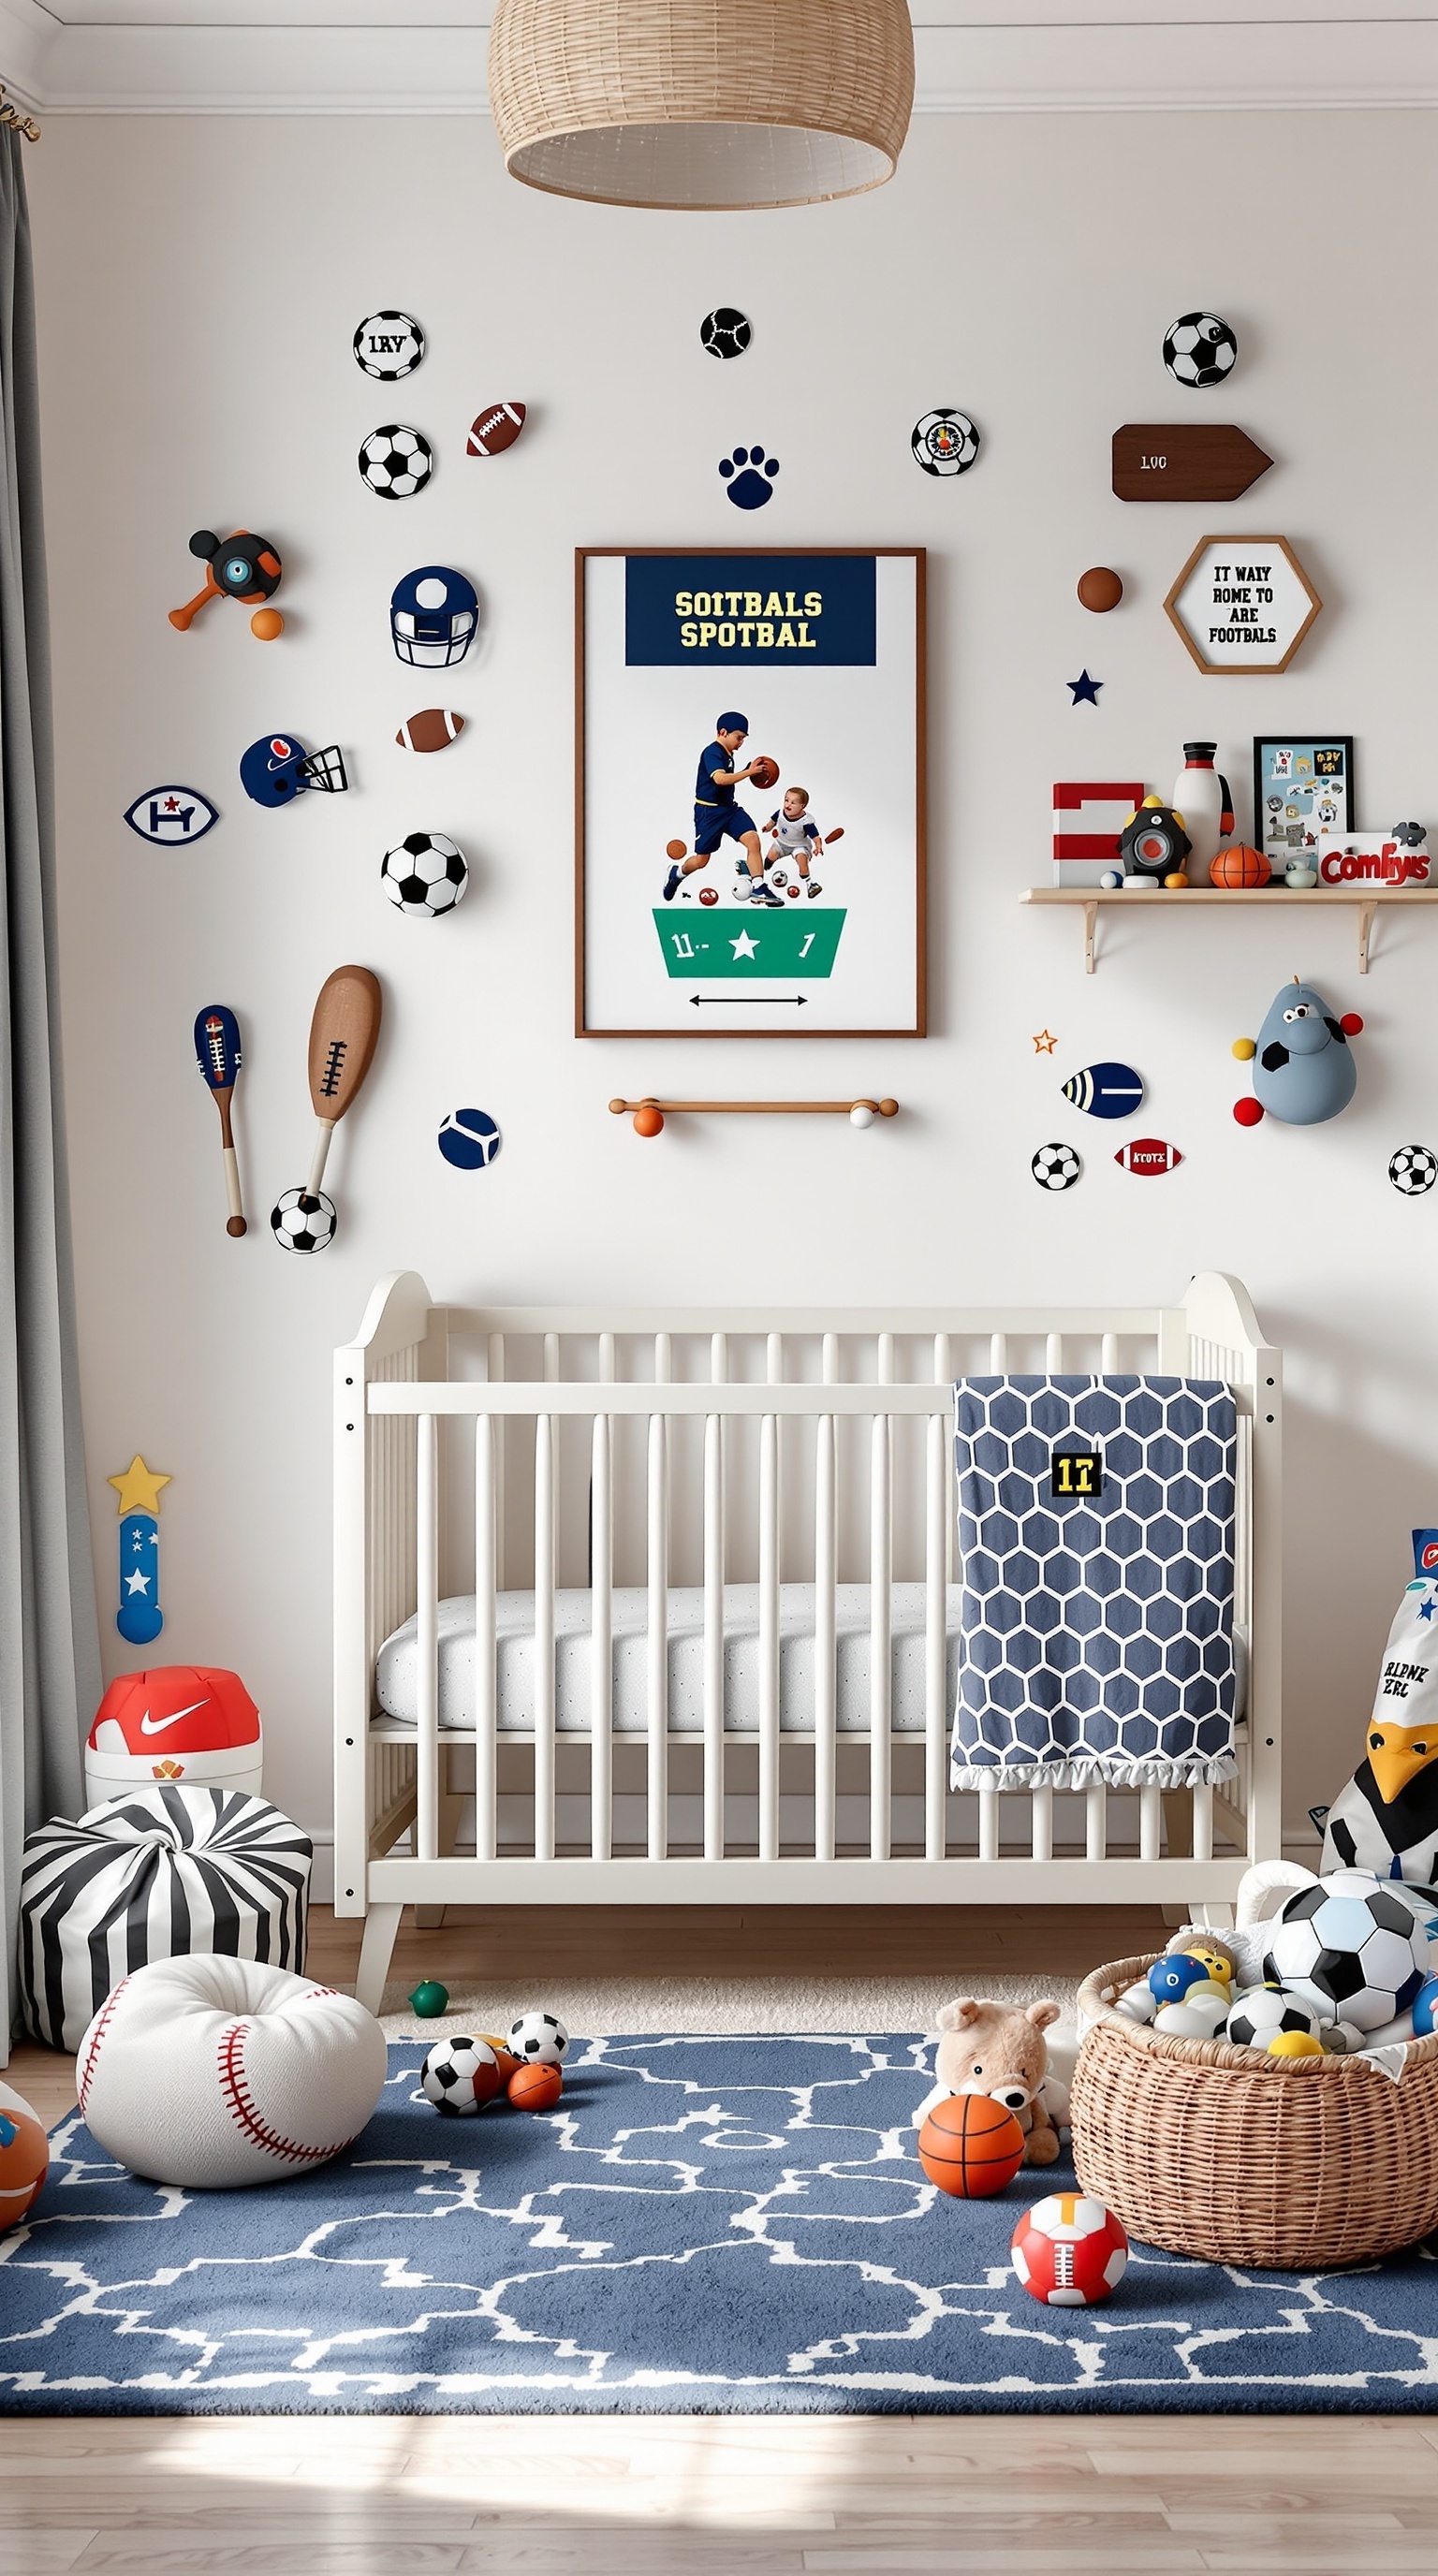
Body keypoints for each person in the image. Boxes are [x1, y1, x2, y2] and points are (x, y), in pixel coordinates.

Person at [662, 712, 782, 907]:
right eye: (738, 737)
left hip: (730, 809)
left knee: (753, 840)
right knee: (701, 861)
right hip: (708, 813)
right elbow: (720, 779)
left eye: (744, 738)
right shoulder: (712, 752)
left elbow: (727, 779)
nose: (741, 742)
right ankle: (676, 874)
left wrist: (748, 769)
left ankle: (759, 887)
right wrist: (749, 772)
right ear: (723, 732)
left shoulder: (729, 754)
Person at [763, 784, 824, 899]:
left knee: (802, 859)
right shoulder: (780, 813)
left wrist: (818, 846)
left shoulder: (806, 821)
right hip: (781, 842)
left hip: (799, 845)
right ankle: (763, 870)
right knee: (770, 856)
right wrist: (767, 827)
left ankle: (809, 883)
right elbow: (773, 821)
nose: (788, 804)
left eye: (793, 803)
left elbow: (815, 836)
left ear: (802, 806)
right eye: (786, 800)